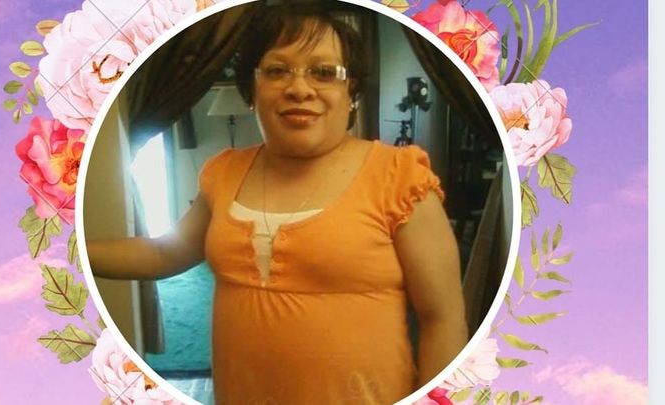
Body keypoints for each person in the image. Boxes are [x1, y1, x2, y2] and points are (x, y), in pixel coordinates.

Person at [87, 3, 467, 404]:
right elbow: (165, 253)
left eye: (324, 72)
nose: (299, 88)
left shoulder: (400, 177)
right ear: (252, 90)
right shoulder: (223, 172)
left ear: (351, 91)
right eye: (277, 71)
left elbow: (443, 318)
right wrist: (66, 250)